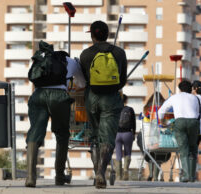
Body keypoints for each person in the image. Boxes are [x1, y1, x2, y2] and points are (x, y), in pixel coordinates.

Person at [25, 42, 86, 187]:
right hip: (59, 97)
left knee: (35, 133)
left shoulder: (40, 58)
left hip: (38, 95)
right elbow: (82, 84)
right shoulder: (71, 61)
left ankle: (30, 177)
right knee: (62, 134)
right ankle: (59, 176)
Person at [80, 20, 127, 189]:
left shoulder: (85, 55)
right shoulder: (119, 53)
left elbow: (85, 79)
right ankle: (101, 171)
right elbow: (123, 80)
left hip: (92, 98)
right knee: (107, 138)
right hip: (111, 99)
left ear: (92, 35)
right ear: (107, 34)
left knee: (94, 135)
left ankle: (96, 172)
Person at [158, 80, 200, 182]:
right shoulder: (195, 98)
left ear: (180, 89)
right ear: (190, 89)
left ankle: (186, 176)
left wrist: (163, 121)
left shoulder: (174, 97)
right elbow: (198, 112)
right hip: (194, 122)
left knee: (183, 149)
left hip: (180, 122)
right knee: (193, 148)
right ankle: (192, 176)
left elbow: (160, 111)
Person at [115, 94, 136, 181]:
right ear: (126, 100)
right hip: (128, 133)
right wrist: (133, 133)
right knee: (128, 153)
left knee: (118, 154)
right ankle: (126, 170)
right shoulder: (130, 109)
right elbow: (134, 123)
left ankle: (118, 176)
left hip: (117, 134)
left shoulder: (115, 109)